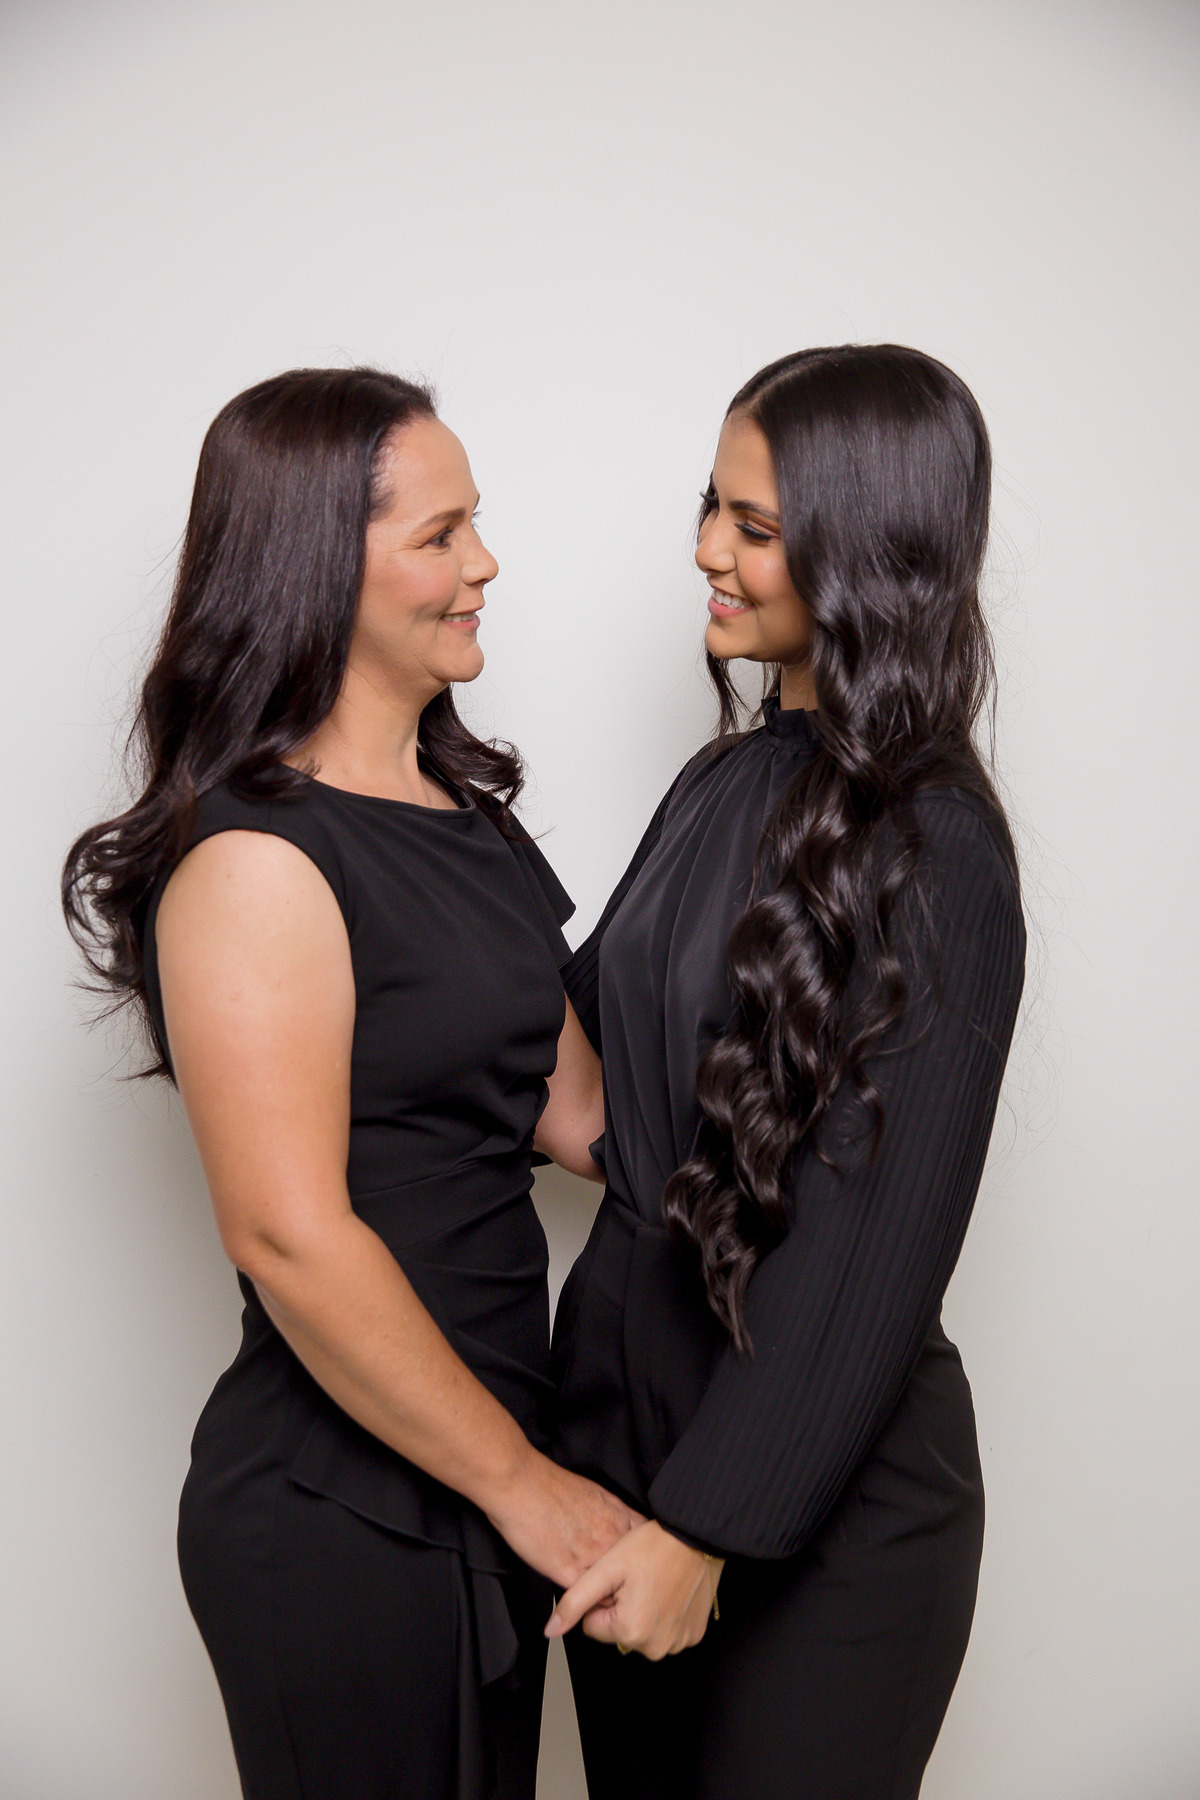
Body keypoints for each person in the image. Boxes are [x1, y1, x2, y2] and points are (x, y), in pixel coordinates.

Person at [61, 367, 637, 1800]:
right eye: (441, 535)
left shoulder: (470, 820)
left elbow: (585, 1119)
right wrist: (529, 1492)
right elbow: (286, 1235)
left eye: (476, 523)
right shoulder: (256, 857)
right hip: (346, 1505)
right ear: (319, 564)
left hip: (485, 1471)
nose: (484, 564)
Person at [546, 345, 1027, 1800]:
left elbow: (872, 1244)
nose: (707, 550)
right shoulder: (725, 779)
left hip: (819, 1506)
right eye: (711, 505)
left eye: (754, 526)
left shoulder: (940, 844)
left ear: (868, 548)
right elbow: (603, 1072)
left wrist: (708, 1528)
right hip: (627, 1448)